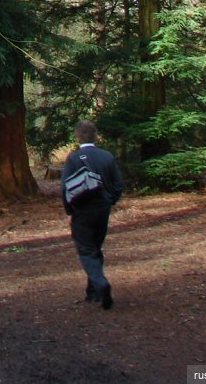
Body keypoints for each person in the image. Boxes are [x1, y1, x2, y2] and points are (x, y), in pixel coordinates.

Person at [61, 119, 123, 310]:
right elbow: (118, 185)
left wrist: (69, 210)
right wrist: (109, 200)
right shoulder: (107, 157)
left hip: (82, 211)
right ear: (95, 135)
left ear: (78, 135)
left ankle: (100, 283)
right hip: (102, 210)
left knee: (87, 250)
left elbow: (65, 188)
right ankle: (93, 292)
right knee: (95, 247)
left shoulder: (74, 158)